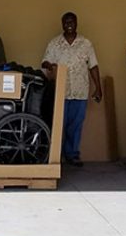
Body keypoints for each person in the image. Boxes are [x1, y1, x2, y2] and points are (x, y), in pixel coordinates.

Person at [42, 12, 102, 167]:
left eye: (71, 22)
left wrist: (98, 88)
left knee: (75, 125)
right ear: (62, 24)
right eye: (66, 22)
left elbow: (93, 66)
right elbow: (44, 63)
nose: (69, 24)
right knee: (58, 124)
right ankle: (55, 155)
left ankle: (72, 154)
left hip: (80, 90)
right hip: (60, 92)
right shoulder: (55, 43)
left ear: (76, 23)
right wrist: (50, 66)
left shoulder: (86, 43)